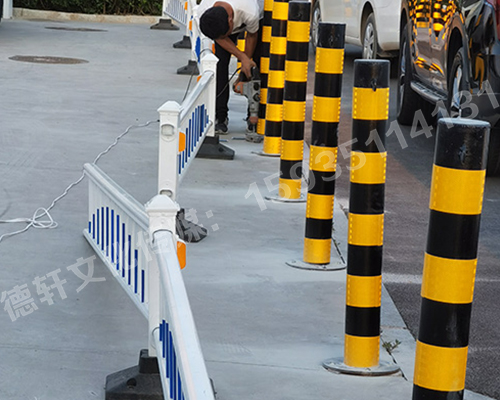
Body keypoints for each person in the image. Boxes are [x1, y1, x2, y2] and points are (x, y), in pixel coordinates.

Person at [198, 0, 264, 134]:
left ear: (230, 21)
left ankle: (254, 116)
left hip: (257, 18)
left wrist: (245, 62)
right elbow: (219, 38)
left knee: (257, 65)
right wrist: (242, 56)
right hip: (224, 23)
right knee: (220, 64)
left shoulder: (250, 11)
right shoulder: (205, 12)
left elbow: (252, 35)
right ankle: (220, 117)